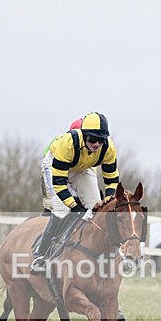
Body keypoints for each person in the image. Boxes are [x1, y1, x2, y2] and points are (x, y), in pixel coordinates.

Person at [32, 112, 119, 273]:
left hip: (82, 167)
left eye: (101, 140)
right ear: (84, 135)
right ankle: (40, 255)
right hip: (55, 166)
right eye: (92, 139)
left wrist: (108, 202)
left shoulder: (108, 149)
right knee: (62, 210)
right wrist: (74, 206)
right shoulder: (67, 144)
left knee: (97, 208)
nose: (97, 144)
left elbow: (112, 181)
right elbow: (58, 184)